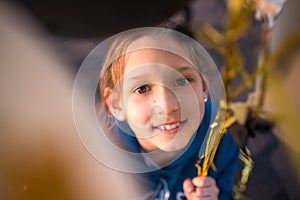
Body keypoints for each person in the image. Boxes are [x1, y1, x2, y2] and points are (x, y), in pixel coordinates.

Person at [97, 27, 239, 200]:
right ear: (117, 105)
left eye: (181, 80)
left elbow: (225, 190)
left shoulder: (223, 138)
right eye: (142, 89)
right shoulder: (98, 157)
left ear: (204, 86)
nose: (166, 106)